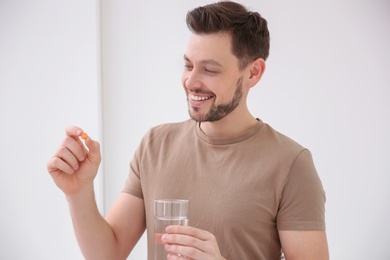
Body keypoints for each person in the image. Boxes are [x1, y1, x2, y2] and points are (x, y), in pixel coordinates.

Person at [47, 1, 329, 259]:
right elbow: (106, 254)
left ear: (253, 73)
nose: (191, 81)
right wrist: (79, 192)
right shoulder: (155, 144)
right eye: (188, 65)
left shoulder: (291, 164)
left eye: (210, 70)